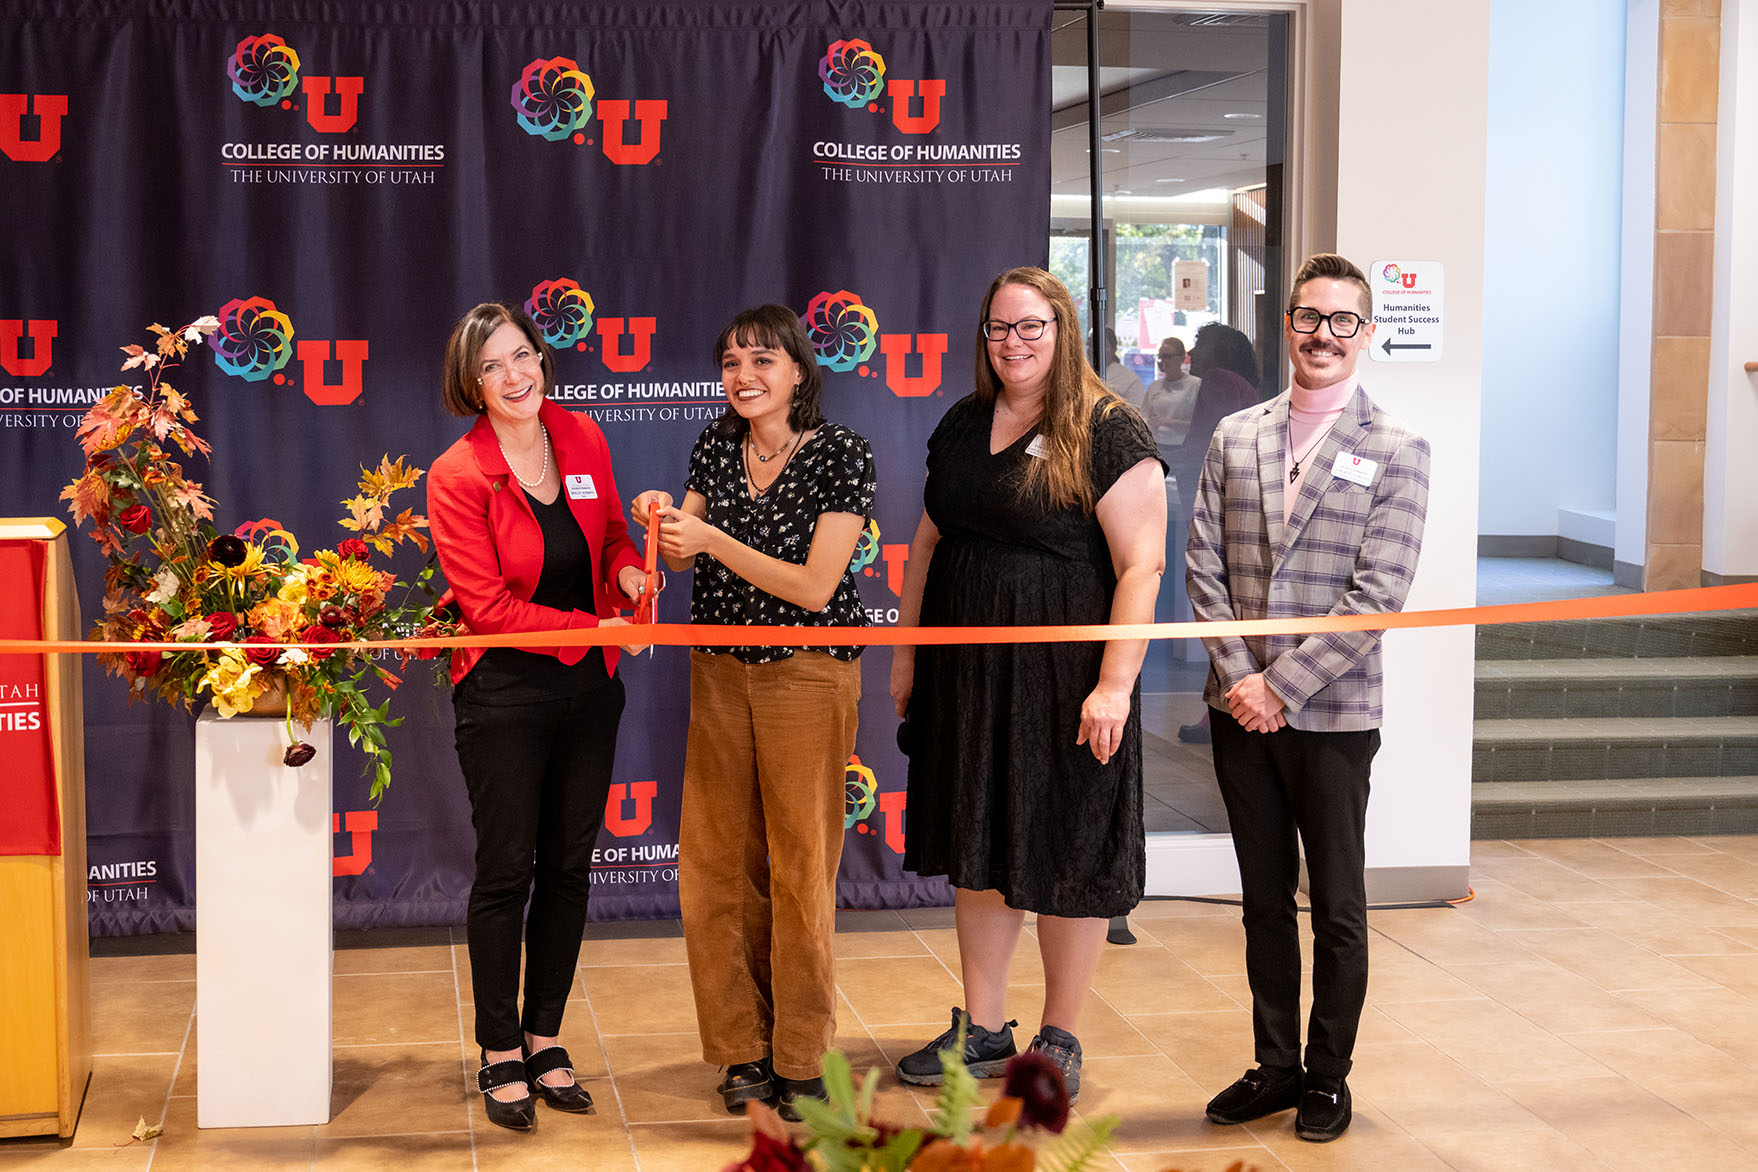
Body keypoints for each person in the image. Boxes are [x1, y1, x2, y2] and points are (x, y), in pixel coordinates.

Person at [891, 267, 1166, 1100]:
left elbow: (1141, 564)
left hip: (1065, 681)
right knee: (978, 846)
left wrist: (1114, 683)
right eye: (999, 329)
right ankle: (982, 1029)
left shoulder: (1108, 430)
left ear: (1063, 331)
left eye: (1031, 327)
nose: (1014, 343)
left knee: (1068, 848)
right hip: (967, 675)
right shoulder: (963, 421)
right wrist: (908, 654)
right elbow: (928, 543)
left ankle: (1060, 1037)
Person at [1186, 253, 1429, 1143]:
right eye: (1308, 316)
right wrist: (1239, 678)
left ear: (1366, 334)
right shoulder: (1235, 435)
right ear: (1286, 324)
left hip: (1333, 715)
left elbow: (1379, 597)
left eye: (1342, 320)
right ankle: (1276, 1065)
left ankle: (1329, 1074)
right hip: (1237, 706)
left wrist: (1278, 686)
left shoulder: (1399, 450)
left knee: (1335, 903)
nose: (1322, 334)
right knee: (1260, 899)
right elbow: (1202, 564)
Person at [631, 305, 874, 1123]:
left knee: (800, 866)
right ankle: (740, 1047)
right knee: (715, 868)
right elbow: (680, 544)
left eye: (763, 360)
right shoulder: (713, 443)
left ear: (800, 372)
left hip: (808, 673)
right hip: (718, 671)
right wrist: (662, 521)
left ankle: (801, 1053)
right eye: (732, 360)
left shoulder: (842, 453)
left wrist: (709, 541)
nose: (744, 376)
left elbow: (812, 587)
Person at [428, 302, 649, 1132]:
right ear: (470, 383)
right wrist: (594, 626)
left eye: (522, 355)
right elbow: (484, 608)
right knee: (505, 872)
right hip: (505, 694)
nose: (515, 376)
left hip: (590, 688)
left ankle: (545, 1036)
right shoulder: (457, 474)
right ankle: (497, 1050)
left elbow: (614, 536)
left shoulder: (582, 436)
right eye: (493, 366)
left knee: (568, 866)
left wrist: (626, 578)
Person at [1171, 322, 1263, 741]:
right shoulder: (1240, 381)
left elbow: (1207, 442)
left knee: (1216, 604)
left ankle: (1222, 710)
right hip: (1235, 499)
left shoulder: (1219, 381)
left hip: (1213, 498)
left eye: (1200, 343)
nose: (1193, 349)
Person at [1139, 336, 1201, 458]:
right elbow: (1144, 416)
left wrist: (1170, 422)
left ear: (1181, 358)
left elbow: (1200, 424)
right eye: (1160, 356)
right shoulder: (1154, 386)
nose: (1163, 361)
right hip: (1157, 445)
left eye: (1167, 356)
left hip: (1184, 446)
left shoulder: (1195, 384)